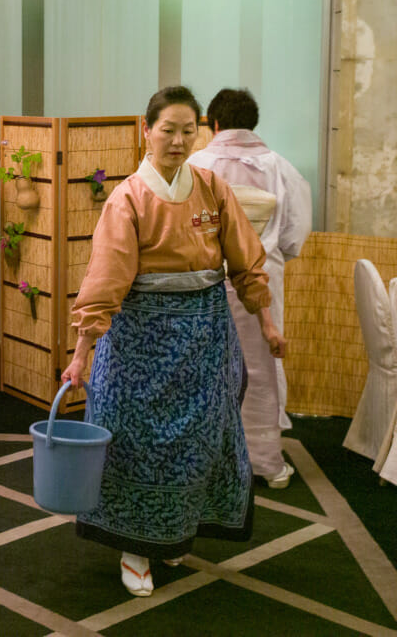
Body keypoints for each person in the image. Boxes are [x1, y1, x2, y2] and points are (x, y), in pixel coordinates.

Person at [62, 86, 284, 597]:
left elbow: (247, 264)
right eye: (169, 130)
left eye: (189, 131)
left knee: (196, 442)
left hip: (205, 339)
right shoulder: (129, 197)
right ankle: (134, 548)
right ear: (146, 131)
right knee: (136, 442)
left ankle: (176, 531)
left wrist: (267, 323)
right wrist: (81, 357)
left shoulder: (212, 188)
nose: (179, 141)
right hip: (141, 342)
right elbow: (103, 283)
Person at [189, 88, 312, 489]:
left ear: (214, 123)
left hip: (205, 280)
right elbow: (294, 236)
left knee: (206, 366)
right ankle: (265, 461)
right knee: (260, 365)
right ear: (252, 123)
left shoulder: (195, 165)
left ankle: (205, 461)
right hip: (262, 277)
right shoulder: (282, 168)